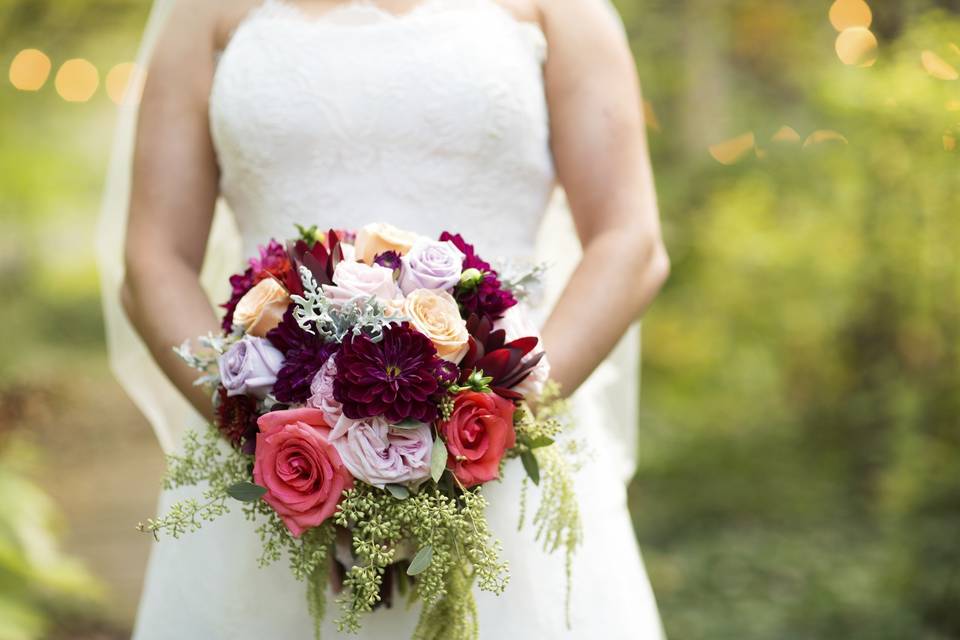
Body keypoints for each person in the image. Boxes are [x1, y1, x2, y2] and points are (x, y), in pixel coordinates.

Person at [112, 0, 670, 637]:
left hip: (510, 453)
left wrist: (492, 418)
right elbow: (153, 257)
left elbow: (631, 243)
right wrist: (265, 437)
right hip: (271, 474)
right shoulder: (200, 12)